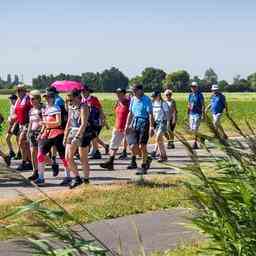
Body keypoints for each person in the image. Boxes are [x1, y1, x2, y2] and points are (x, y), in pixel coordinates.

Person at [35, 91, 68, 185]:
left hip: (58, 134)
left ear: (53, 98)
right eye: (46, 98)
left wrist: (45, 124)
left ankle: (67, 176)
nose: (47, 99)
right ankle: (41, 178)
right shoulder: (45, 109)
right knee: (40, 155)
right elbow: (44, 124)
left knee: (63, 157)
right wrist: (41, 132)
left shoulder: (56, 108)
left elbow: (58, 122)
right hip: (47, 134)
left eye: (49, 97)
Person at [64, 89, 95, 188]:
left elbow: (84, 123)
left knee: (83, 158)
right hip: (72, 131)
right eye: (68, 100)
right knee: (68, 157)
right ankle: (77, 178)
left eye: (71, 100)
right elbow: (69, 121)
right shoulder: (71, 107)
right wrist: (65, 135)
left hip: (83, 133)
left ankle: (86, 179)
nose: (69, 102)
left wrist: (77, 136)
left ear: (78, 98)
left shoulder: (84, 106)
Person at [125, 84, 154, 175]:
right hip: (134, 123)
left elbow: (150, 114)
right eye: (132, 91)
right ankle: (145, 158)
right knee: (133, 146)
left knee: (142, 146)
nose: (133, 92)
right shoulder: (133, 99)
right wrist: (127, 124)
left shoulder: (147, 100)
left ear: (140, 90)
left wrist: (151, 127)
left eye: (135, 90)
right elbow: (130, 113)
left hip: (144, 123)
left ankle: (144, 166)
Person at [100, 88, 130, 170]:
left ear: (124, 94)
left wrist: (129, 125)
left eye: (120, 93)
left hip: (128, 128)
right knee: (113, 145)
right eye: (117, 93)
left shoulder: (129, 103)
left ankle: (140, 160)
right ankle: (110, 162)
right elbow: (117, 114)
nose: (118, 95)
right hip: (117, 127)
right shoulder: (117, 103)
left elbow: (132, 114)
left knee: (134, 146)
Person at [81, 85, 109, 159]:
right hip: (87, 122)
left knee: (94, 137)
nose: (83, 93)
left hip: (96, 122)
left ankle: (96, 152)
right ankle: (99, 150)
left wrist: (103, 121)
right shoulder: (82, 100)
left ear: (88, 91)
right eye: (82, 91)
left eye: (84, 91)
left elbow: (100, 110)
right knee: (93, 137)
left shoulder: (93, 99)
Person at [14, 84, 33, 170]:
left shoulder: (28, 99)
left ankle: (24, 162)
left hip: (27, 124)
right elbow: (17, 113)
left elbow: (33, 110)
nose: (18, 92)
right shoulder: (18, 100)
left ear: (24, 91)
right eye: (17, 90)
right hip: (20, 124)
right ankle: (29, 162)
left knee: (22, 141)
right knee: (24, 144)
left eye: (20, 90)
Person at [27, 90, 44, 180]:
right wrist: (28, 132)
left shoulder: (42, 109)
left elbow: (44, 122)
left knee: (41, 154)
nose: (31, 100)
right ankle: (35, 172)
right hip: (32, 133)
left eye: (33, 99)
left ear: (38, 99)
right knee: (33, 153)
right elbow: (30, 122)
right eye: (30, 99)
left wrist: (41, 132)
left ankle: (53, 164)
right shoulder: (31, 110)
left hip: (40, 133)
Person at [151, 91, 169, 162]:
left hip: (162, 122)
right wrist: (152, 125)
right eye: (153, 97)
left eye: (155, 96)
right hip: (156, 123)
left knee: (158, 138)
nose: (154, 98)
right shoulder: (153, 103)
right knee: (160, 140)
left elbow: (167, 114)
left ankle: (163, 156)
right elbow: (152, 114)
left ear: (158, 95)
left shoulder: (163, 103)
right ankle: (163, 156)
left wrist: (168, 124)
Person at [188, 81, 205, 149]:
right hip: (191, 114)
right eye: (192, 87)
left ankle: (194, 144)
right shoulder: (190, 95)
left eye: (194, 87)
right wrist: (188, 113)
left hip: (198, 114)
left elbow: (203, 105)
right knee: (192, 130)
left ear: (197, 87)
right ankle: (201, 137)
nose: (193, 88)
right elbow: (189, 104)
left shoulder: (200, 94)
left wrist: (203, 114)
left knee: (195, 128)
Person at [6, 94, 20, 159]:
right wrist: (9, 119)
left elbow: (17, 116)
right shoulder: (12, 106)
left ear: (16, 100)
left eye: (12, 99)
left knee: (18, 139)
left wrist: (12, 119)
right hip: (12, 124)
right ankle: (11, 152)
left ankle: (20, 152)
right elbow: (11, 115)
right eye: (10, 99)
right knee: (7, 138)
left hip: (17, 123)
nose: (11, 100)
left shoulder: (17, 106)